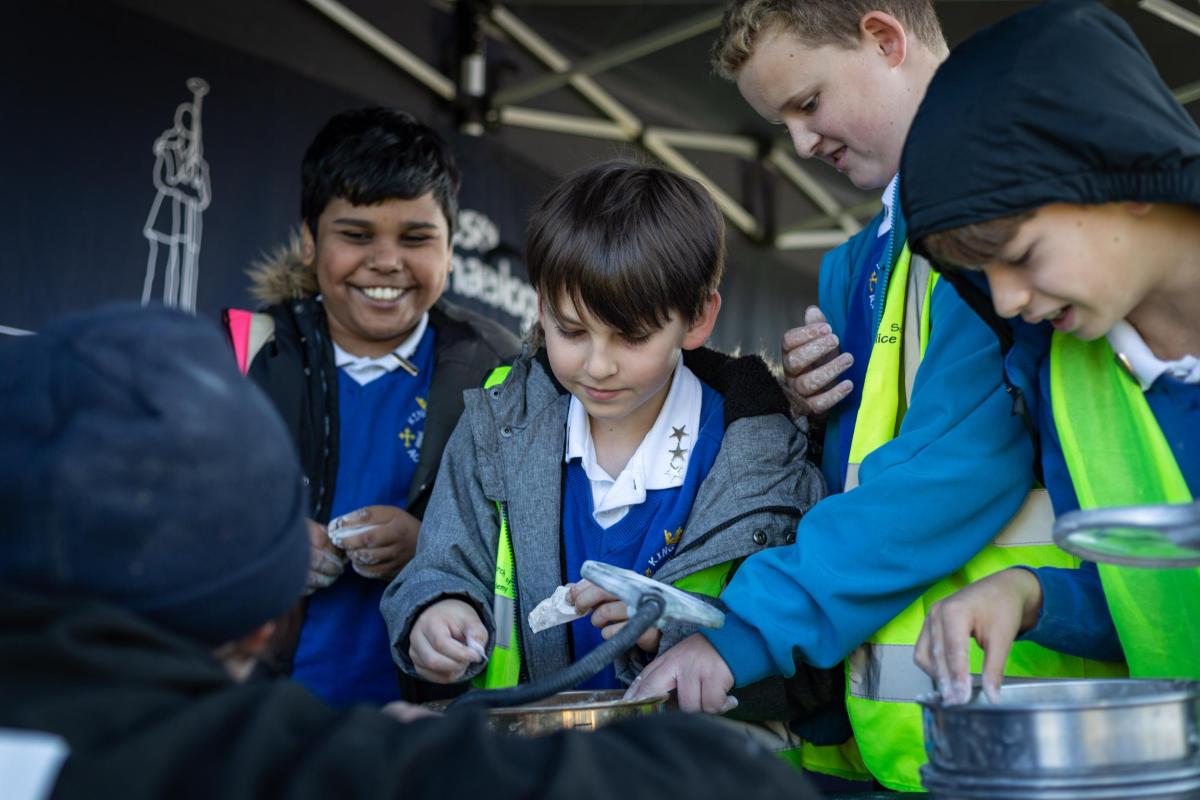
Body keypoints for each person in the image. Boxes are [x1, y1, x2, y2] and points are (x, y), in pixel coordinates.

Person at [0, 304, 825, 800]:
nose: (599, 363)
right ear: (258, 624)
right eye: (572, 329)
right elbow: (732, 784)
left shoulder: (762, 442)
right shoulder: (267, 770)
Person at [629, 1, 1122, 792]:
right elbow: (870, 467)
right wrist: (815, 414)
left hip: (1028, 721)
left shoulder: (1000, 218)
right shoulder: (854, 262)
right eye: (779, 120)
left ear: (886, 39)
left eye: (808, 102)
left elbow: (957, 462)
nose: (799, 142)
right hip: (881, 729)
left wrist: (749, 629)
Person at [380, 161, 827, 729]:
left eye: (632, 336)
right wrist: (436, 611)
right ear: (540, 307)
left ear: (698, 319)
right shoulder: (492, 428)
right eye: (570, 330)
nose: (597, 365)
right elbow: (441, 564)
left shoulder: (767, 454)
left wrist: (677, 633)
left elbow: (810, 666)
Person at [900, 1, 1200, 701]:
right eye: (982, 276)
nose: (1004, 303)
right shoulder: (1063, 377)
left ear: (1123, 174)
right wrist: (1030, 594)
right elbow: (1147, 603)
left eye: (1022, 255)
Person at [223, 107, 520, 706]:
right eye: (356, 235)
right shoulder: (244, 351)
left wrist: (432, 547)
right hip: (258, 717)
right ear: (309, 241)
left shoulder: (502, 368)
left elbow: (538, 545)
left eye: (415, 238)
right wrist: (263, 542)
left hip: (421, 727)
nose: (386, 260)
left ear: (451, 248)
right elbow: (172, 519)